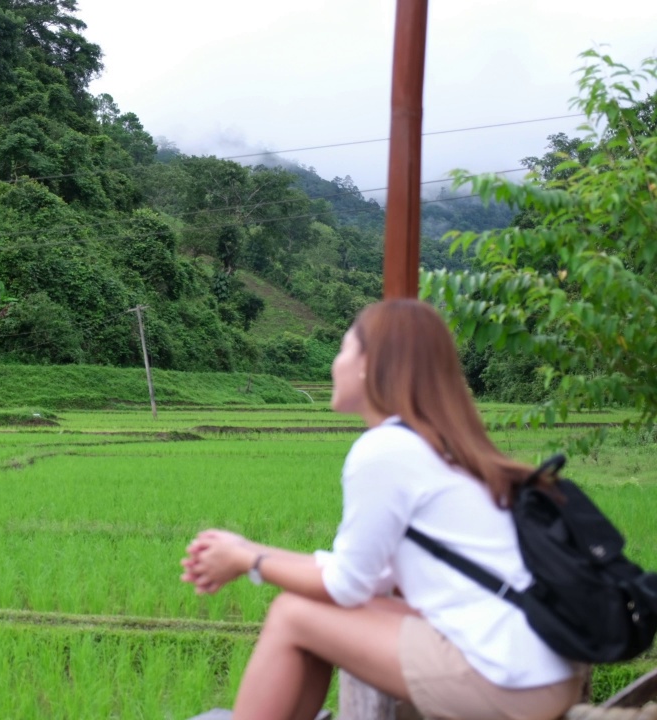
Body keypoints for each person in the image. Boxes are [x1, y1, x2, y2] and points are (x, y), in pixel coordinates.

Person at [180, 299, 583, 720]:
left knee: (290, 613)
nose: (334, 363)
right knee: (311, 610)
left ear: (368, 364)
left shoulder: (385, 450)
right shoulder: (440, 446)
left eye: (342, 349)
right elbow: (368, 579)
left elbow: (346, 585)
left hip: (510, 680)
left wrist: (248, 559)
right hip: (541, 672)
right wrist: (245, 550)